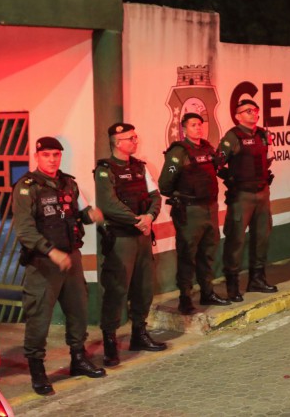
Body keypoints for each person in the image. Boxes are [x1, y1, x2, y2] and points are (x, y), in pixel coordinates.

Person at [12, 136, 106, 396]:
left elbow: (81, 212)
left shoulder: (69, 183)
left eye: (56, 154)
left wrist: (93, 215)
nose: (52, 159)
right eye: (47, 155)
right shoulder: (26, 188)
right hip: (43, 263)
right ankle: (37, 370)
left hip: (71, 259)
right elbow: (24, 230)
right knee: (39, 317)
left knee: (78, 310)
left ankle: (78, 358)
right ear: (37, 156)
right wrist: (50, 252)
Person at [95, 122, 167, 368]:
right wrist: (138, 220)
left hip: (143, 237)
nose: (135, 141)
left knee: (143, 287)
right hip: (121, 239)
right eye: (130, 138)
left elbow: (156, 196)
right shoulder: (105, 170)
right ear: (118, 142)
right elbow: (108, 203)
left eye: (135, 137)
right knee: (116, 291)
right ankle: (110, 343)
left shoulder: (140, 167)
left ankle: (139, 333)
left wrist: (149, 217)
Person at [158, 113, 231, 315]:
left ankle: (207, 292)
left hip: (209, 209)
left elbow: (217, 168)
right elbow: (165, 184)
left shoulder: (207, 148)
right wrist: (181, 196)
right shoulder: (178, 152)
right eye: (193, 125)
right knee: (187, 256)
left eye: (200, 124)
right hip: (189, 212)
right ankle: (185, 299)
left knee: (207, 253)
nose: (198, 128)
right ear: (184, 129)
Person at [216, 99, 278, 302]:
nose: (254, 113)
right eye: (248, 111)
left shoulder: (261, 134)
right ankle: (232, 285)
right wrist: (231, 178)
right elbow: (217, 163)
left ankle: (257, 279)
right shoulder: (232, 137)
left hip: (262, 193)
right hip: (241, 196)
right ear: (238, 116)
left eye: (256, 110)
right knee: (236, 240)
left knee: (262, 236)